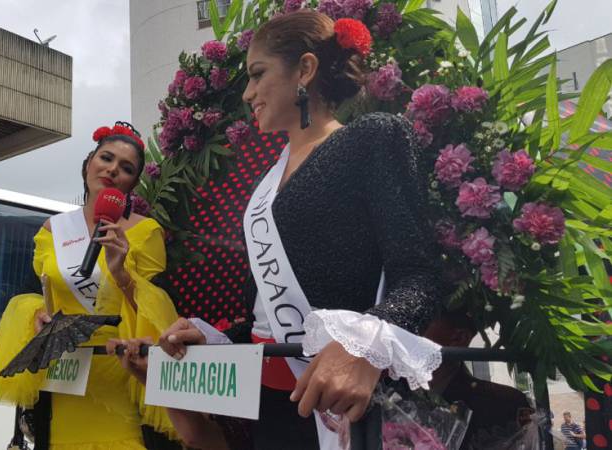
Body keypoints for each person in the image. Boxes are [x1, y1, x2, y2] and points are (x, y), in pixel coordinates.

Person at [157, 10, 443, 450]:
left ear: (305, 70)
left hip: (346, 406)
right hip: (275, 409)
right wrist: (217, 338)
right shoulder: (265, 184)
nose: (249, 93)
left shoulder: (372, 138)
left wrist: (365, 347)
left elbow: (419, 277)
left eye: (258, 74)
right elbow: (266, 316)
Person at [0, 122, 180, 449]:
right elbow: (44, 291)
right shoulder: (54, 229)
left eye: (126, 168)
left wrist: (121, 274)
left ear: (132, 184)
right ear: (89, 161)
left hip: (117, 369)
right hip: (64, 371)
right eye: (106, 158)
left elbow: (156, 313)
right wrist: (38, 315)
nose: (112, 169)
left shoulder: (145, 233)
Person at [424, 310, 533, 449]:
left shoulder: (503, 404)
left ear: (459, 338)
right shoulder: (392, 388)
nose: (400, 334)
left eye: (420, 323)